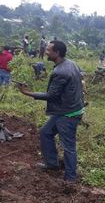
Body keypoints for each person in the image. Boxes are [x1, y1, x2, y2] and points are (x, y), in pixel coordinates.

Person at [17, 40, 83, 182]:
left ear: (57, 52)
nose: (46, 52)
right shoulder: (71, 63)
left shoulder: (60, 71)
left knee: (69, 146)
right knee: (45, 132)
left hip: (67, 114)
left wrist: (27, 93)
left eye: (48, 50)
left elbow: (51, 96)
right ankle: (52, 164)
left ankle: (70, 179)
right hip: (67, 109)